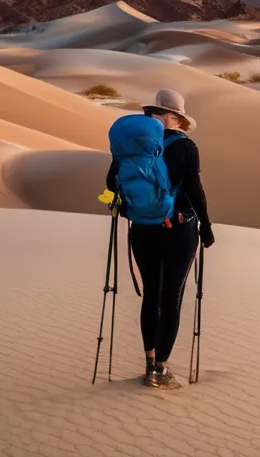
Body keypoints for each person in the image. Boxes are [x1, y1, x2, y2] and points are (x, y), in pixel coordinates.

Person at [106, 88, 215, 389]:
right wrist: (206, 226)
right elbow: (195, 189)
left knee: (151, 294)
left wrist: (121, 208)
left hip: (142, 229)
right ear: (173, 117)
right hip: (179, 230)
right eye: (178, 118)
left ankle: (149, 360)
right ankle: (160, 371)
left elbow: (109, 185)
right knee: (171, 299)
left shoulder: (131, 146)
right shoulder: (185, 147)